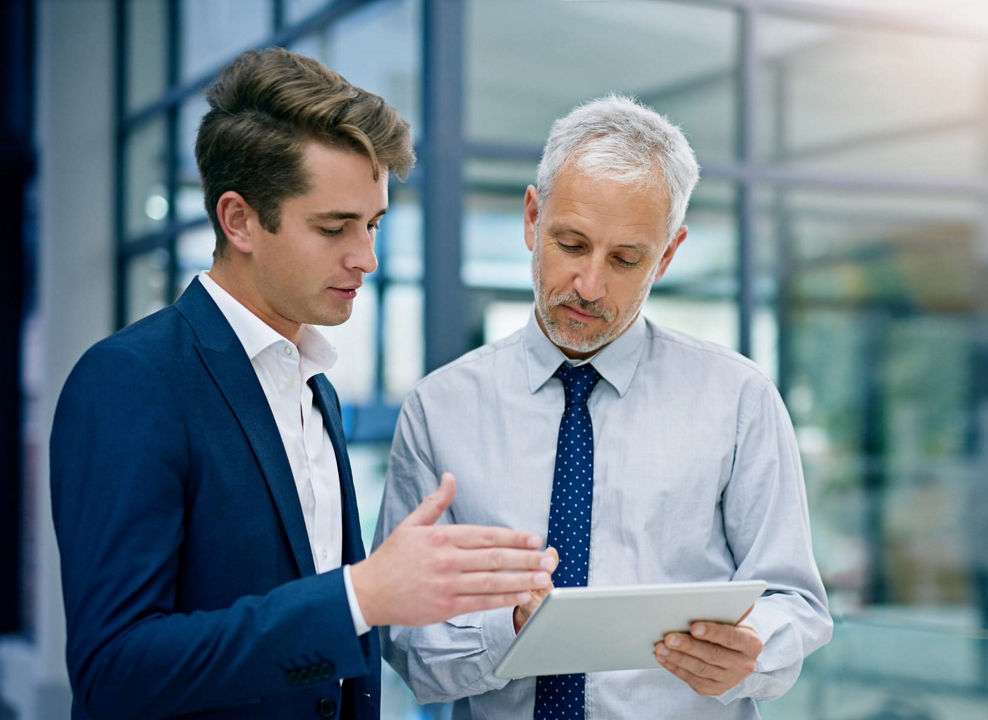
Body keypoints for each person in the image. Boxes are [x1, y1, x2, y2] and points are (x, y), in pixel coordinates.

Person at [50, 47, 555, 720]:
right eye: (333, 228)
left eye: (372, 224)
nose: (367, 258)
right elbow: (113, 670)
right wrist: (358, 598)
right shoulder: (131, 381)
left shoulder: (316, 387)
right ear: (239, 220)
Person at [375, 94, 833, 719]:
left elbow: (797, 604)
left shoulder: (739, 401)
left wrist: (753, 648)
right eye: (571, 244)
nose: (590, 286)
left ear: (667, 255)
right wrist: (510, 626)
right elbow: (404, 644)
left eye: (625, 259)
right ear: (533, 220)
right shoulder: (441, 408)